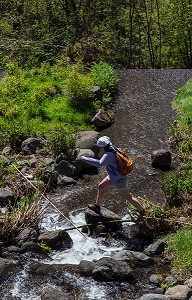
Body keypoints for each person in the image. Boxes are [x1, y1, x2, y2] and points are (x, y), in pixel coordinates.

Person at [80, 136, 145, 216]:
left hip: (119, 179)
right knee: (101, 186)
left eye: (100, 148)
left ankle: (142, 211)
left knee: (128, 197)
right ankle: (97, 206)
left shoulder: (108, 155)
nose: (99, 150)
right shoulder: (115, 148)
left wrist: (84, 158)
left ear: (103, 147)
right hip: (114, 176)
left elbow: (99, 164)